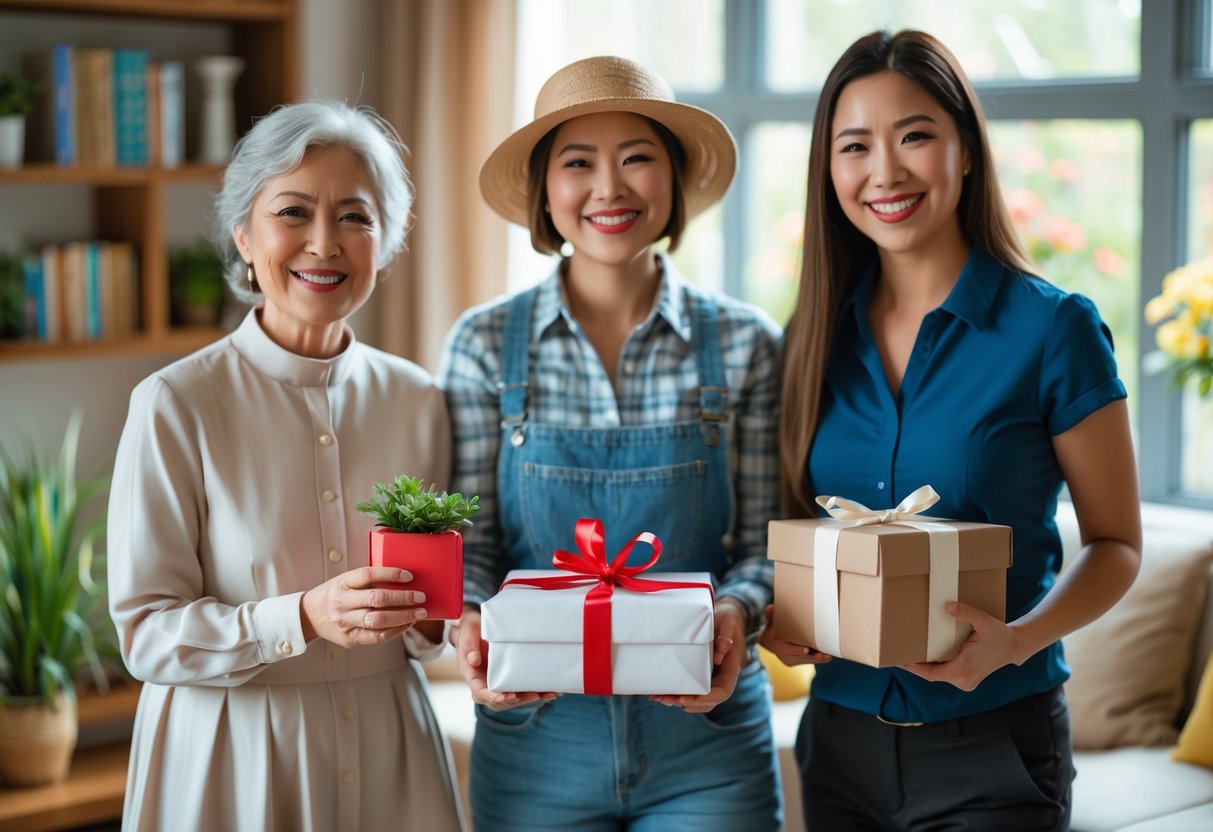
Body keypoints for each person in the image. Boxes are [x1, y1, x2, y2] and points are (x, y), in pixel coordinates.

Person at [761, 29, 1143, 831]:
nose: (884, 172)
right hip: (836, 747)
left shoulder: (1052, 328)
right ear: (828, 171)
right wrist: (782, 618)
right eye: (854, 146)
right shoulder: (811, 338)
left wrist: (1016, 640)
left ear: (964, 151)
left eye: (915, 137)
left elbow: (1116, 544)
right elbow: (801, 532)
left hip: (994, 750)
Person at [439, 56, 783, 830]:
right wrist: (467, 624)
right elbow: (472, 545)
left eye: (636, 158)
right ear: (543, 191)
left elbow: (768, 541)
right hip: (535, 737)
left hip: (708, 733)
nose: (609, 188)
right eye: (577, 163)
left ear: (672, 178)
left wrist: (735, 613)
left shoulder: (746, 344)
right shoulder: (484, 345)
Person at [108, 101, 463, 832]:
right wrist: (301, 616)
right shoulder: (174, 403)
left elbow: (431, 617)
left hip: (391, 746)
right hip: (231, 759)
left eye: (356, 218)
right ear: (244, 235)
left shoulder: (420, 399)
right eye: (293, 212)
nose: (323, 243)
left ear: (387, 243)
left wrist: (447, 624)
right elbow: (146, 633)